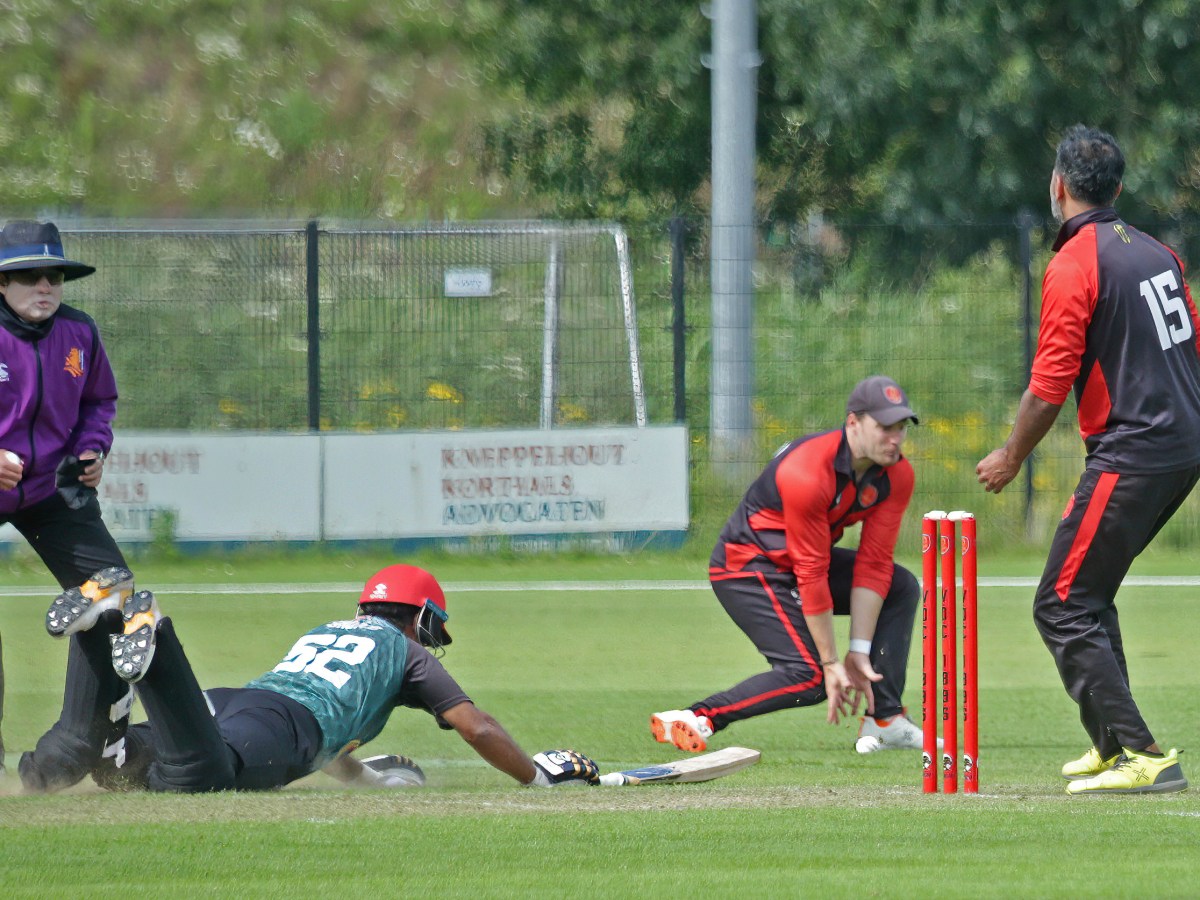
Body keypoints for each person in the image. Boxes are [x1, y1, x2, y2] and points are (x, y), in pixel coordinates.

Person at [977, 125, 1199, 795]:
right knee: (1088, 595)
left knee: (1061, 604)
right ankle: (1108, 744)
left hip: (1135, 451)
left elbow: (1049, 385)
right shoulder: (1158, 252)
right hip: (1181, 443)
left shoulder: (1075, 263)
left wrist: (1011, 457)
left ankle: (1145, 756)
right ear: (1119, 188)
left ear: (1058, 187)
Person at [19, 563, 599, 793]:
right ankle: (155, 640)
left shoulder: (327, 629)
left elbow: (322, 731)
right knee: (197, 776)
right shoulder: (405, 652)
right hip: (272, 727)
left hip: (231, 704)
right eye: (432, 630)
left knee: (113, 766)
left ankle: (103, 624)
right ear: (421, 618)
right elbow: (478, 728)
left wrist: (367, 780)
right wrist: (535, 776)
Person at [651, 376, 925, 754]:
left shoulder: (897, 474)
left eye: (900, 428)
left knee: (901, 585)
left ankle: (885, 720)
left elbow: (874, 564)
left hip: (801, 564)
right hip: (748, 568)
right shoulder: (808, 471)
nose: (894, 439)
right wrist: (831, 662)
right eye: (884, 427)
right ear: (853, 424)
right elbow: (811, 573)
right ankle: (698, 716)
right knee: (811, 676)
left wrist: (858, 651)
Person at [0, 220, 127, 775]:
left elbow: (100, 402)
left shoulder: (80, 332)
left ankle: (70, 752)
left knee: (111, 600)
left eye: (54, 275)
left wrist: (91, 451)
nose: (44, 287)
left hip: (55, 492)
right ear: (2, 284)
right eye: (28, 276)